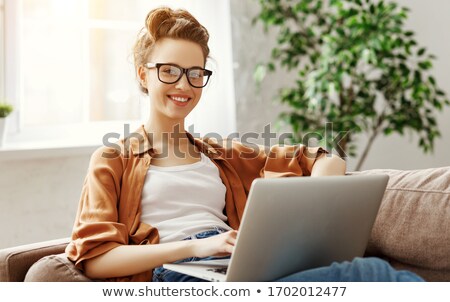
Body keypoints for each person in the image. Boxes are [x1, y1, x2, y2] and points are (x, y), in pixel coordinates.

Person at [65, 7, 423, 282]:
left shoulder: (220, 155)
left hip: (236, 268)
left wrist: (321, 197)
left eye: (195, 73)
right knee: (365, 275)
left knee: (362, 271)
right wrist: (199, 246)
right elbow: (96, 258)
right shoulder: (113, 159)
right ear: (144, 73)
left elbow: (315, 155)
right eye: (169, 70)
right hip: (178, 274)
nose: (184, 85)